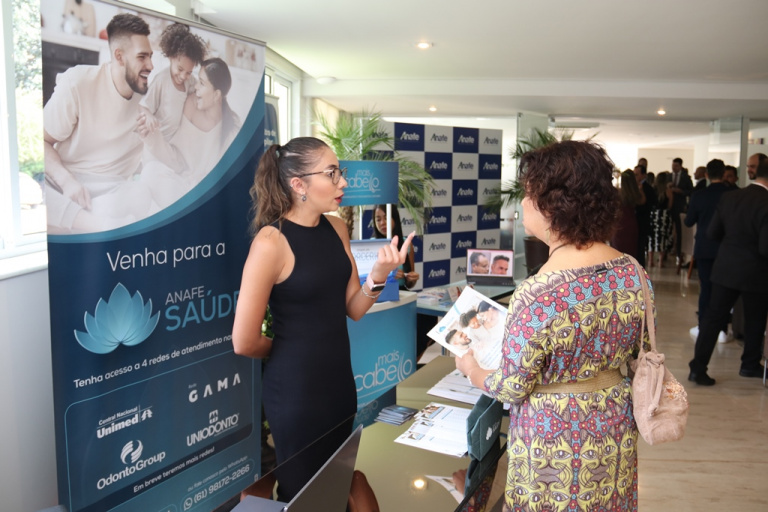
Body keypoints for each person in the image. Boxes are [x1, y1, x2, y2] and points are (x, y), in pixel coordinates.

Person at [455, 140, 645, 512]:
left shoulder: (538, 293)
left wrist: (471, 368)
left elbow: (511, 386)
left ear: (551, 206)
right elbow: (641, 352)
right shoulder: (633, 273)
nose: (523, 203)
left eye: (528, 194)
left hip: (553, 442)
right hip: (615, 427)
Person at [232, 137, 413, 501]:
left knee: (336, 487)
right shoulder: (270, 242)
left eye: (339, 171)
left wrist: (378, 276)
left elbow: (354, 309)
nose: (343, 181)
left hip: (339, 387)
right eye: (332, 173)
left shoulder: (337, 229)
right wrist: (289, 350)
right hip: (296, 394)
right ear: (298, 184)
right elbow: (244, 340)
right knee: (304, 496)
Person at [44, 13, 154, 233]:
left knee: (140, 194)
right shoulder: (78, 83)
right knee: (38, 189)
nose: (150, 65)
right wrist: (67, 181)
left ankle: (87, 222)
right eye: (142, 57)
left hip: (112, 191)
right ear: (119, 56)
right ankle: (100, 226)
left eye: (150, 56)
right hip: (69, 184)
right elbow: (42, 142)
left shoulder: (149, 99)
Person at [688, 158, 768, 385]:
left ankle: (698, 368)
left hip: (726, 268)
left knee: (713, 318)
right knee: (755, 319)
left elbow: (713, 233)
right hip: (756, 271)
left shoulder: (731, 197)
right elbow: (765, 247)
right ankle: (749, 364)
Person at [139, 57, 240, 209]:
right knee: (150, 172)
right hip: (179, 183)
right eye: (198, 80)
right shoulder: (191, 104)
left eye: (202, 83)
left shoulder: (232, 128)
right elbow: (176, 159)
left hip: (204, 193)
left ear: (216, 95)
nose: (196, 87)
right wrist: (151, 137)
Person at [684, 159, 733, 345]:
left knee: (706, 288)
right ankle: (722, 328)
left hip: (704, 247)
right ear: (723, 173)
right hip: (726, 248)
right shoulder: (732, 194)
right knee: (724, 290)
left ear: (706, 175)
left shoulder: (699, 195)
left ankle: (703, 325)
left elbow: (689, 221)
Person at [140, 23, 206, 139]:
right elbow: (143, 106)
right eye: (180, 69)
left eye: (189, 72)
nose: (183, 76)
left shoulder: (190, 81)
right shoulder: (161, 80)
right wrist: (149, 116)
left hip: (173, 139)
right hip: (158, 137)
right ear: (171, 57)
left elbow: (200, 89)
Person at [372, 204, 419, 289]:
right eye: (378, 220)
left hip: (401, 293)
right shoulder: (371, 245)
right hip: (378, 294)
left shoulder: (406, 244)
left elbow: (409, 285)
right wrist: (388, 274)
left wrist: (411, 278)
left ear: (395, 218)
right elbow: (366, 280)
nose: (382, 223)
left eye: (386, 218)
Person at [611, 169, 641, 258]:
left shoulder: (618, 193)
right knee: (631, 251)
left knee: (618, 252)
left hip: (620, 223)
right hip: (632, 222)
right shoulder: (637, 193)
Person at [647, 171, 674, 267]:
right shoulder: (668, 191)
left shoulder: (652, 190)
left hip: (653, 215)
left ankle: (650, 260)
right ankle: (661, 261)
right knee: (662, 237)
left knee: (651, 238)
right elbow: (670, 205)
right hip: (664, 216)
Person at [669, 157, 693, 263]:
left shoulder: (686, 178)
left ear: (680, 166)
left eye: (676, 166)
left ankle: (679, 253)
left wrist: (681, 191)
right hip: (669, 206)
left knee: (679, 230)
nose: (674, 167)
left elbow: (691, 191)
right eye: (673, 165)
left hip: (679, 206)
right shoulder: (668, 176)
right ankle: (667, 251)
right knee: (668, 229)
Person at [633, 164, 657, 267]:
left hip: (642, 221)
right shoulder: (635, 187)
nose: (635, 177)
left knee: (640, 248)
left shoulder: (647, 188)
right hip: (636, 221)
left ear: (643, 175)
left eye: (637, 174)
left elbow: (647, 205)